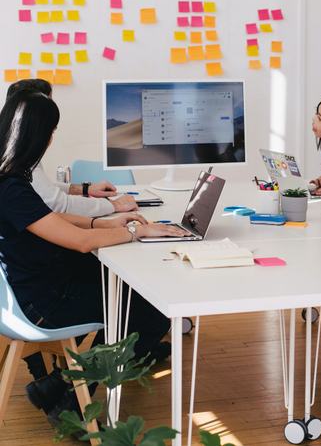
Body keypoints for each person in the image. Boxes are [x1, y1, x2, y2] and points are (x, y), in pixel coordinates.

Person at [0, 90, 189, 423]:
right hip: (43, 304)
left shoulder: (10, 177)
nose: (52, 138)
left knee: (129, 294)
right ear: (38, 135)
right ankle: (72, 400)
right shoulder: (11, 186)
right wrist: (134, 232)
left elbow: (48, 220)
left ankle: (59, 385)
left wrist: (102, 221)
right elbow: (80, 242)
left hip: (34, 284)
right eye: (51, 131)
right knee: (147, 311)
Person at [6, 79, 137, 217]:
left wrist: (85, 189)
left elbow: (42, 189)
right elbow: (59, 204)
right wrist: (114, 205)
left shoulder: (16, 147)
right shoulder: (16, 159)